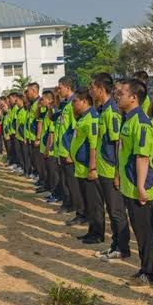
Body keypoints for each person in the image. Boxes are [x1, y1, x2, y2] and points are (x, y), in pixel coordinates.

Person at [116, 78, 153, 286]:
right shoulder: (128, 118)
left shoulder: (141, 122)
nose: (118, 96)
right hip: (130, 183)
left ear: (133, 98)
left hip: (140, 186)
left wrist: (141, 187)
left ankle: (151, 273)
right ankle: (145, 267)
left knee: (146, 232)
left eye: (122, 93)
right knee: (139, 231)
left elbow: (142, 157)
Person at [90, 73, 130, 260]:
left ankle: (122, 247)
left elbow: (116, 144)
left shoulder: (112, 112)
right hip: (104, 168)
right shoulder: (103, 110)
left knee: (116, 210)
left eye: (93, 87)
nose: (91, 91)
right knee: (111, 209)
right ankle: (115, 244)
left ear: (100, 88)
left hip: (111, 169)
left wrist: (116, 172)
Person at [69, 89, 103, 242]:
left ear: (84, 101)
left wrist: (92, 168)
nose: (73, 104)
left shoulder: (92, 118)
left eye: (75, 101)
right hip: (81, 168)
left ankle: (98, 234)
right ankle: (92, 230)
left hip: (88, 169)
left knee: (95, 203)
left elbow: (93, 146)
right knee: (88, 201)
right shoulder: (83, 117)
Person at [56, 76, 77, 215]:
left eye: (60, 87)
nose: (58, 90)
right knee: (65, 180)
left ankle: (76, 206)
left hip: (68, 149)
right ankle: (68, 203)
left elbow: (75, 130)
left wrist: (71, 152)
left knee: (72, 181)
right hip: (61, 149)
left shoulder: (73, 104)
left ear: (68, 88)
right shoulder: (65, 104)